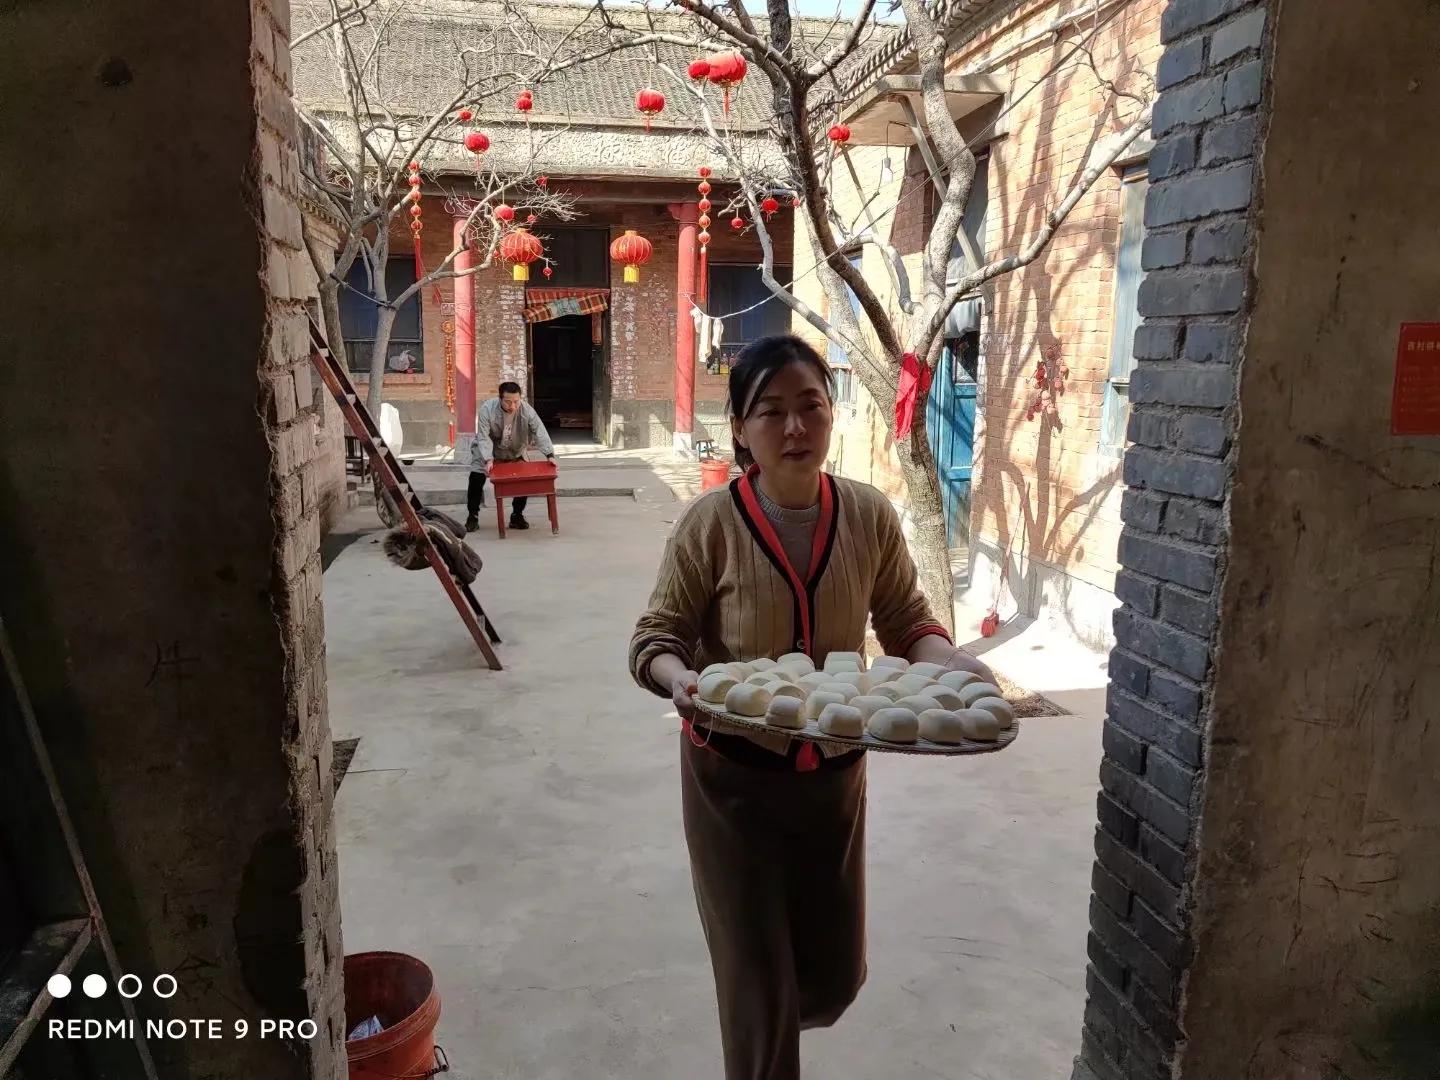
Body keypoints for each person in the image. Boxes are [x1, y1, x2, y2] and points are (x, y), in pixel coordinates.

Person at [628, 335, 996, 1080]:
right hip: (733, 780)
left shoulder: (866, 514)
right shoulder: (710, 525)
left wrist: (950, 662)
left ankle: (789, 1002)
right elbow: (656, 637)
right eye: (771, 412)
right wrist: (679, 681)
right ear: (738, 427)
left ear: (832, 416)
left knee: (830, 979)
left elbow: (906, 620)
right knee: (760, 993)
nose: (795, 428)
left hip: (833, 777)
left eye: (811, 408)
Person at [466, 381, 555, 533]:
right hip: (488, 450)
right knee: (476, 476)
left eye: (516, 401)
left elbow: (539, 430)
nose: (512, 406)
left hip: (515, 450)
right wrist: (488, 458)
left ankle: (517, 515)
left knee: (524, 478)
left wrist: (549, 454)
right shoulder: (487, 409)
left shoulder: (526, 410)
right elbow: (483, 437)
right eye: (507, 401)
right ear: (500, 398)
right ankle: (472, 516)